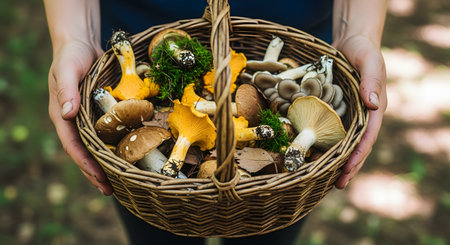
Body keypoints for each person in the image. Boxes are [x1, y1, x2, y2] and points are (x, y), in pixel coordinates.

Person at [44, 0, 387, 244]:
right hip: (139, 33)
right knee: (156, 232)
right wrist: (74, 37)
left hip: (301, 34)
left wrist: (359, 32)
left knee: (268, 231)